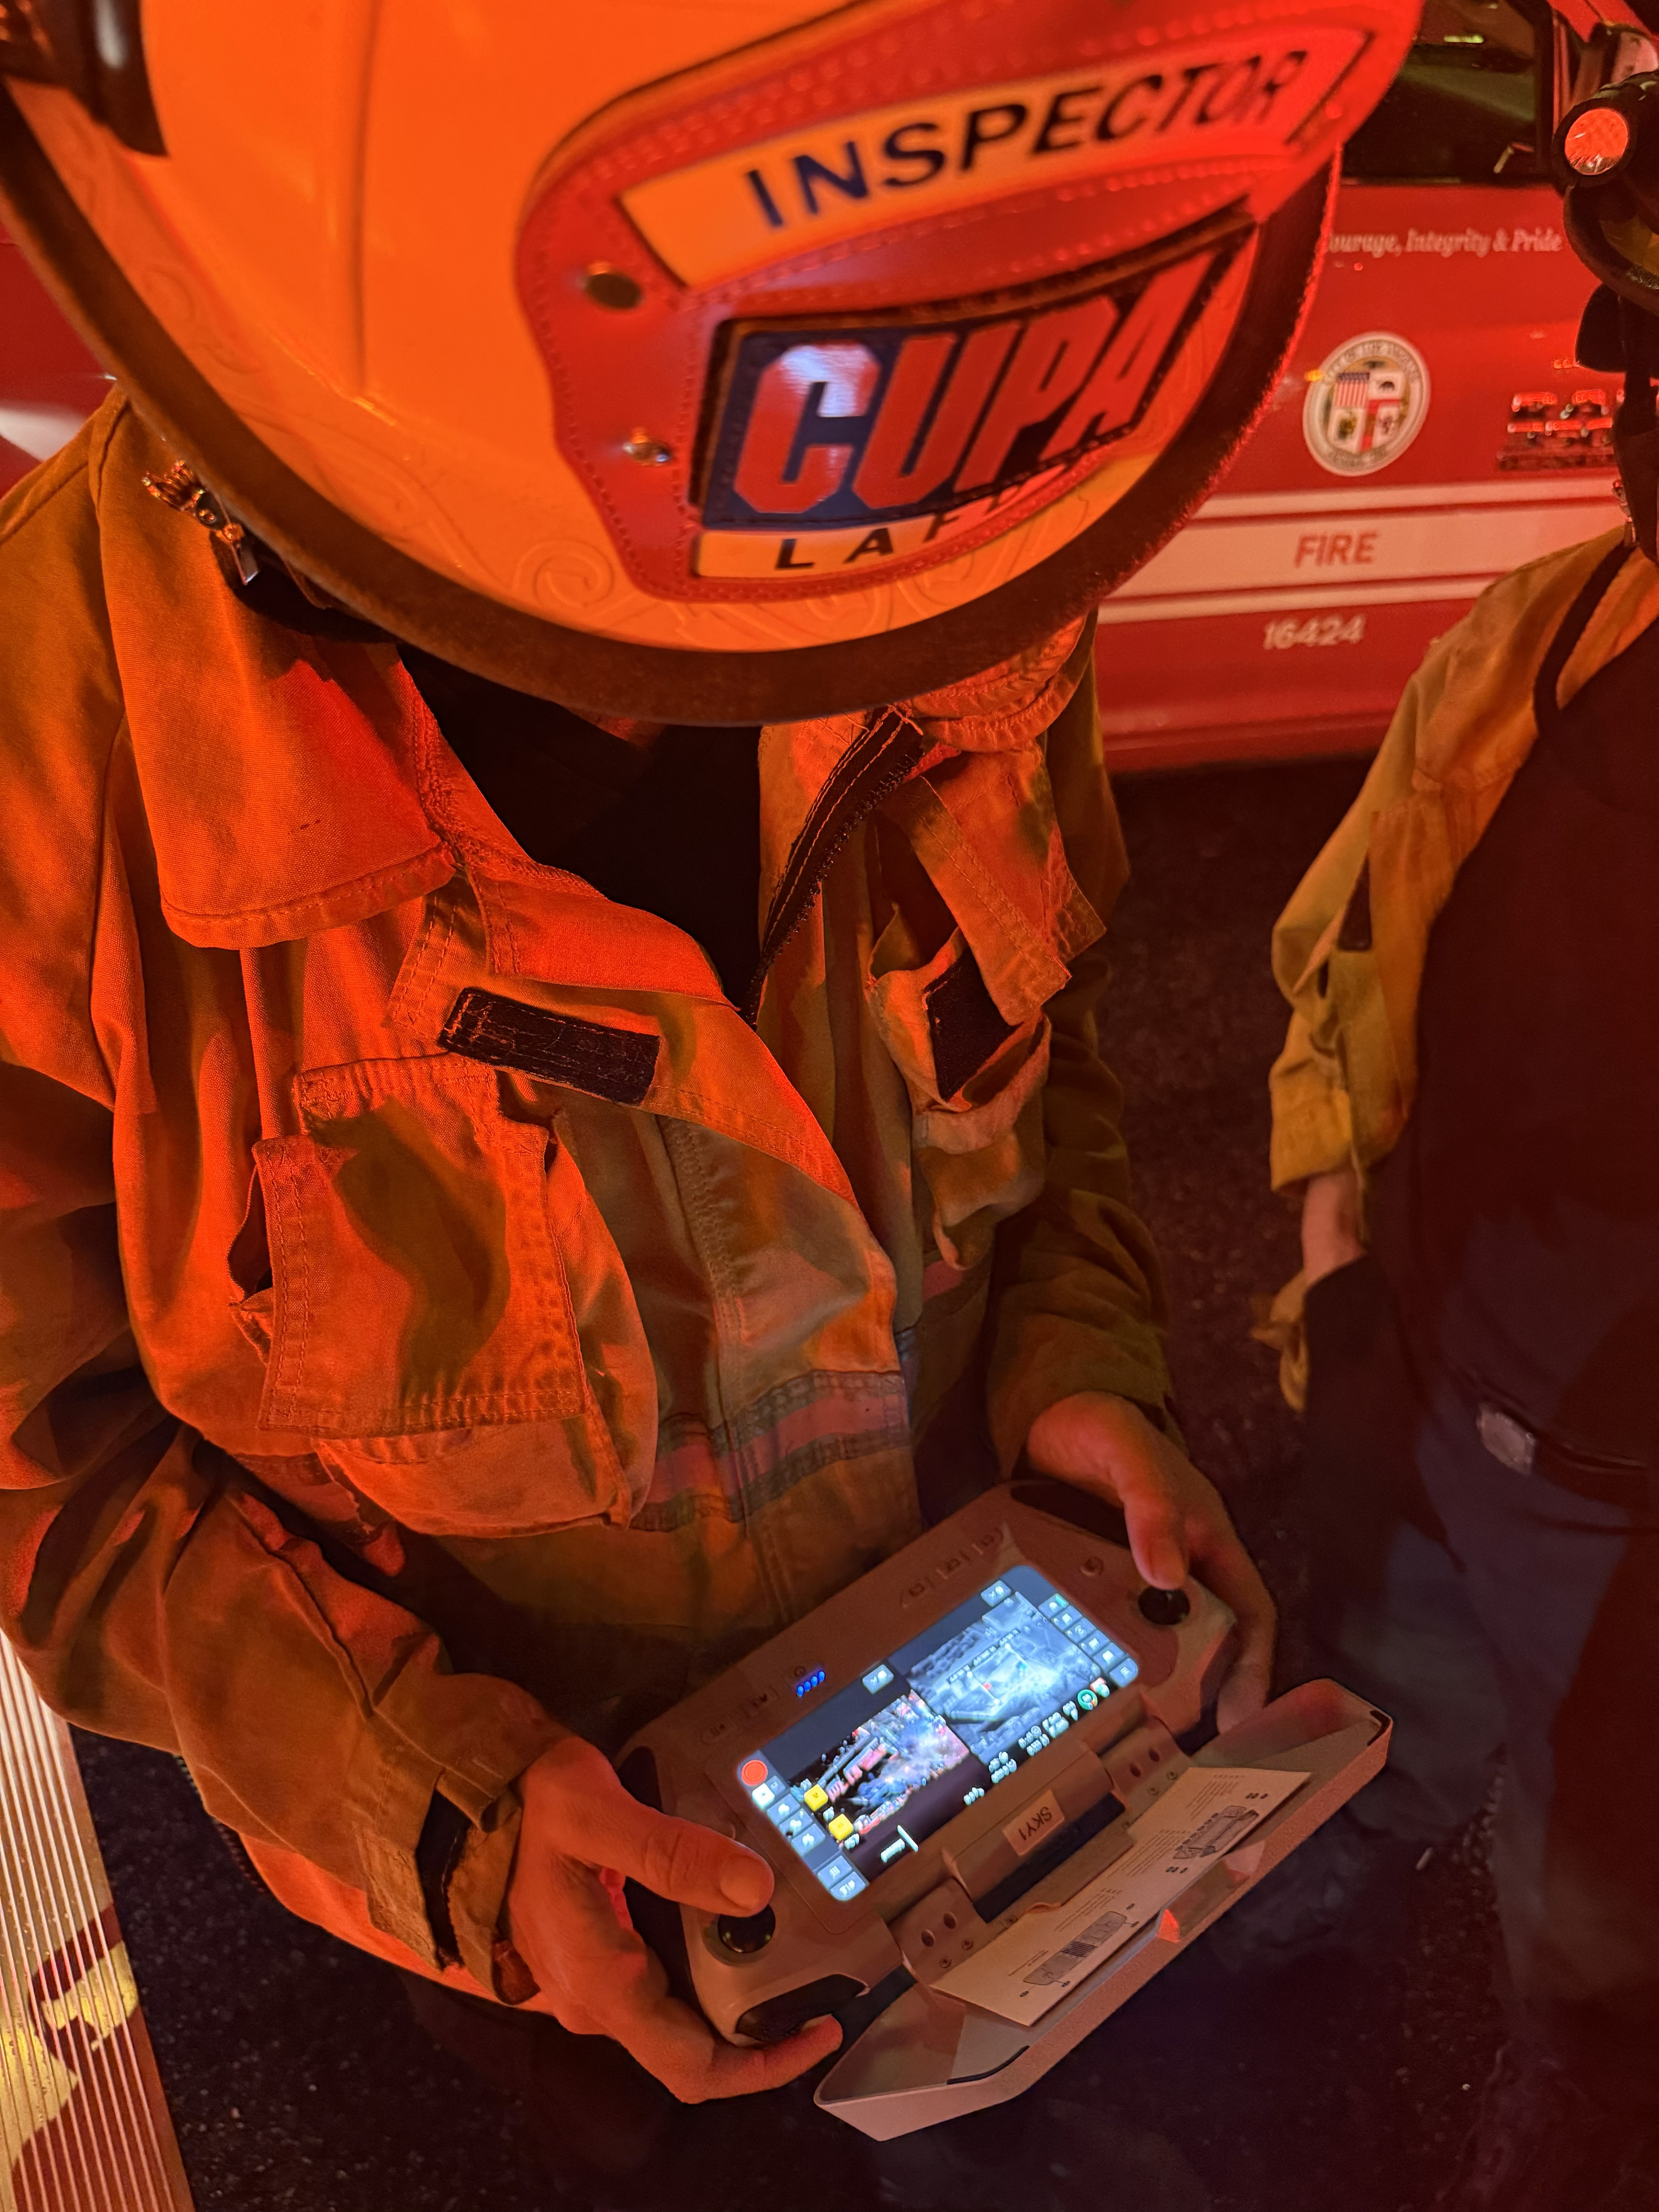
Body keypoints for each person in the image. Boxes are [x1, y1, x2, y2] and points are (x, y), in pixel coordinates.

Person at [0, 1, 1413, 2193]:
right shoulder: (48, 765)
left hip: (1016, 1740)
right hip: (588, 1950)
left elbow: (1053, 1068)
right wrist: (452, 1815)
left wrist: (1077, 1367)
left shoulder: (954, 530)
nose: (841, 649)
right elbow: (45, 1475)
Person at [1253, 70, 1659, 2212]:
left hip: (1642, 1581)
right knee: (1368, 1770)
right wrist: (1340, 1276)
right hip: (1431, 1424)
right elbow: (1350, 958)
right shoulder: (1548, 636)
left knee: (1594, 1984)